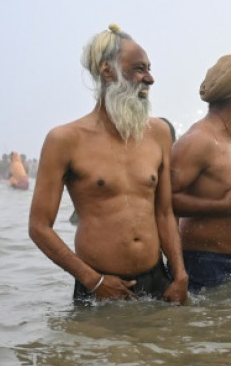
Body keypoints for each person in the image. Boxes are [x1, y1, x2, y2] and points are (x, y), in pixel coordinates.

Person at [28, 24, 188, 304]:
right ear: (107, 71)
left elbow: (164, 213)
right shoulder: (64, 140)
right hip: (99, 289)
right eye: (139, 69)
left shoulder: (159, 133)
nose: (149, 79)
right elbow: (39, 227)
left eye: (149, 69)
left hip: (157, 281)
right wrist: (94, 281)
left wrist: (180, 274)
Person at [171, 53, 231, 292]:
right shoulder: (198, 140)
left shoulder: (230, 140)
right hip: (204, 264)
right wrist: (222, 205)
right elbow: (163, 201)